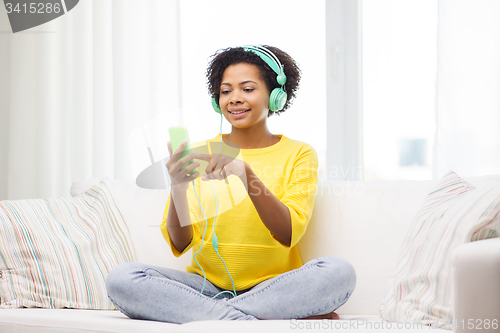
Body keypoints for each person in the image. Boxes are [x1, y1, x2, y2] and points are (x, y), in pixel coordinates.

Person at [105, 45, 356, 323]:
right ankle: (250, 321)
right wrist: (178, 186)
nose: (234, 98)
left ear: (275, 96)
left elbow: (288, 233)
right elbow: (180, 241)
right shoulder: (199, 151)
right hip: (204, 290)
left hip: (272, 288)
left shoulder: (299, 153)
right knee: (123, 278)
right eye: (226, 91)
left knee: (338, 272)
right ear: (217, 100)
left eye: (247, 89)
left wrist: (245, 174)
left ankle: (216, 319)